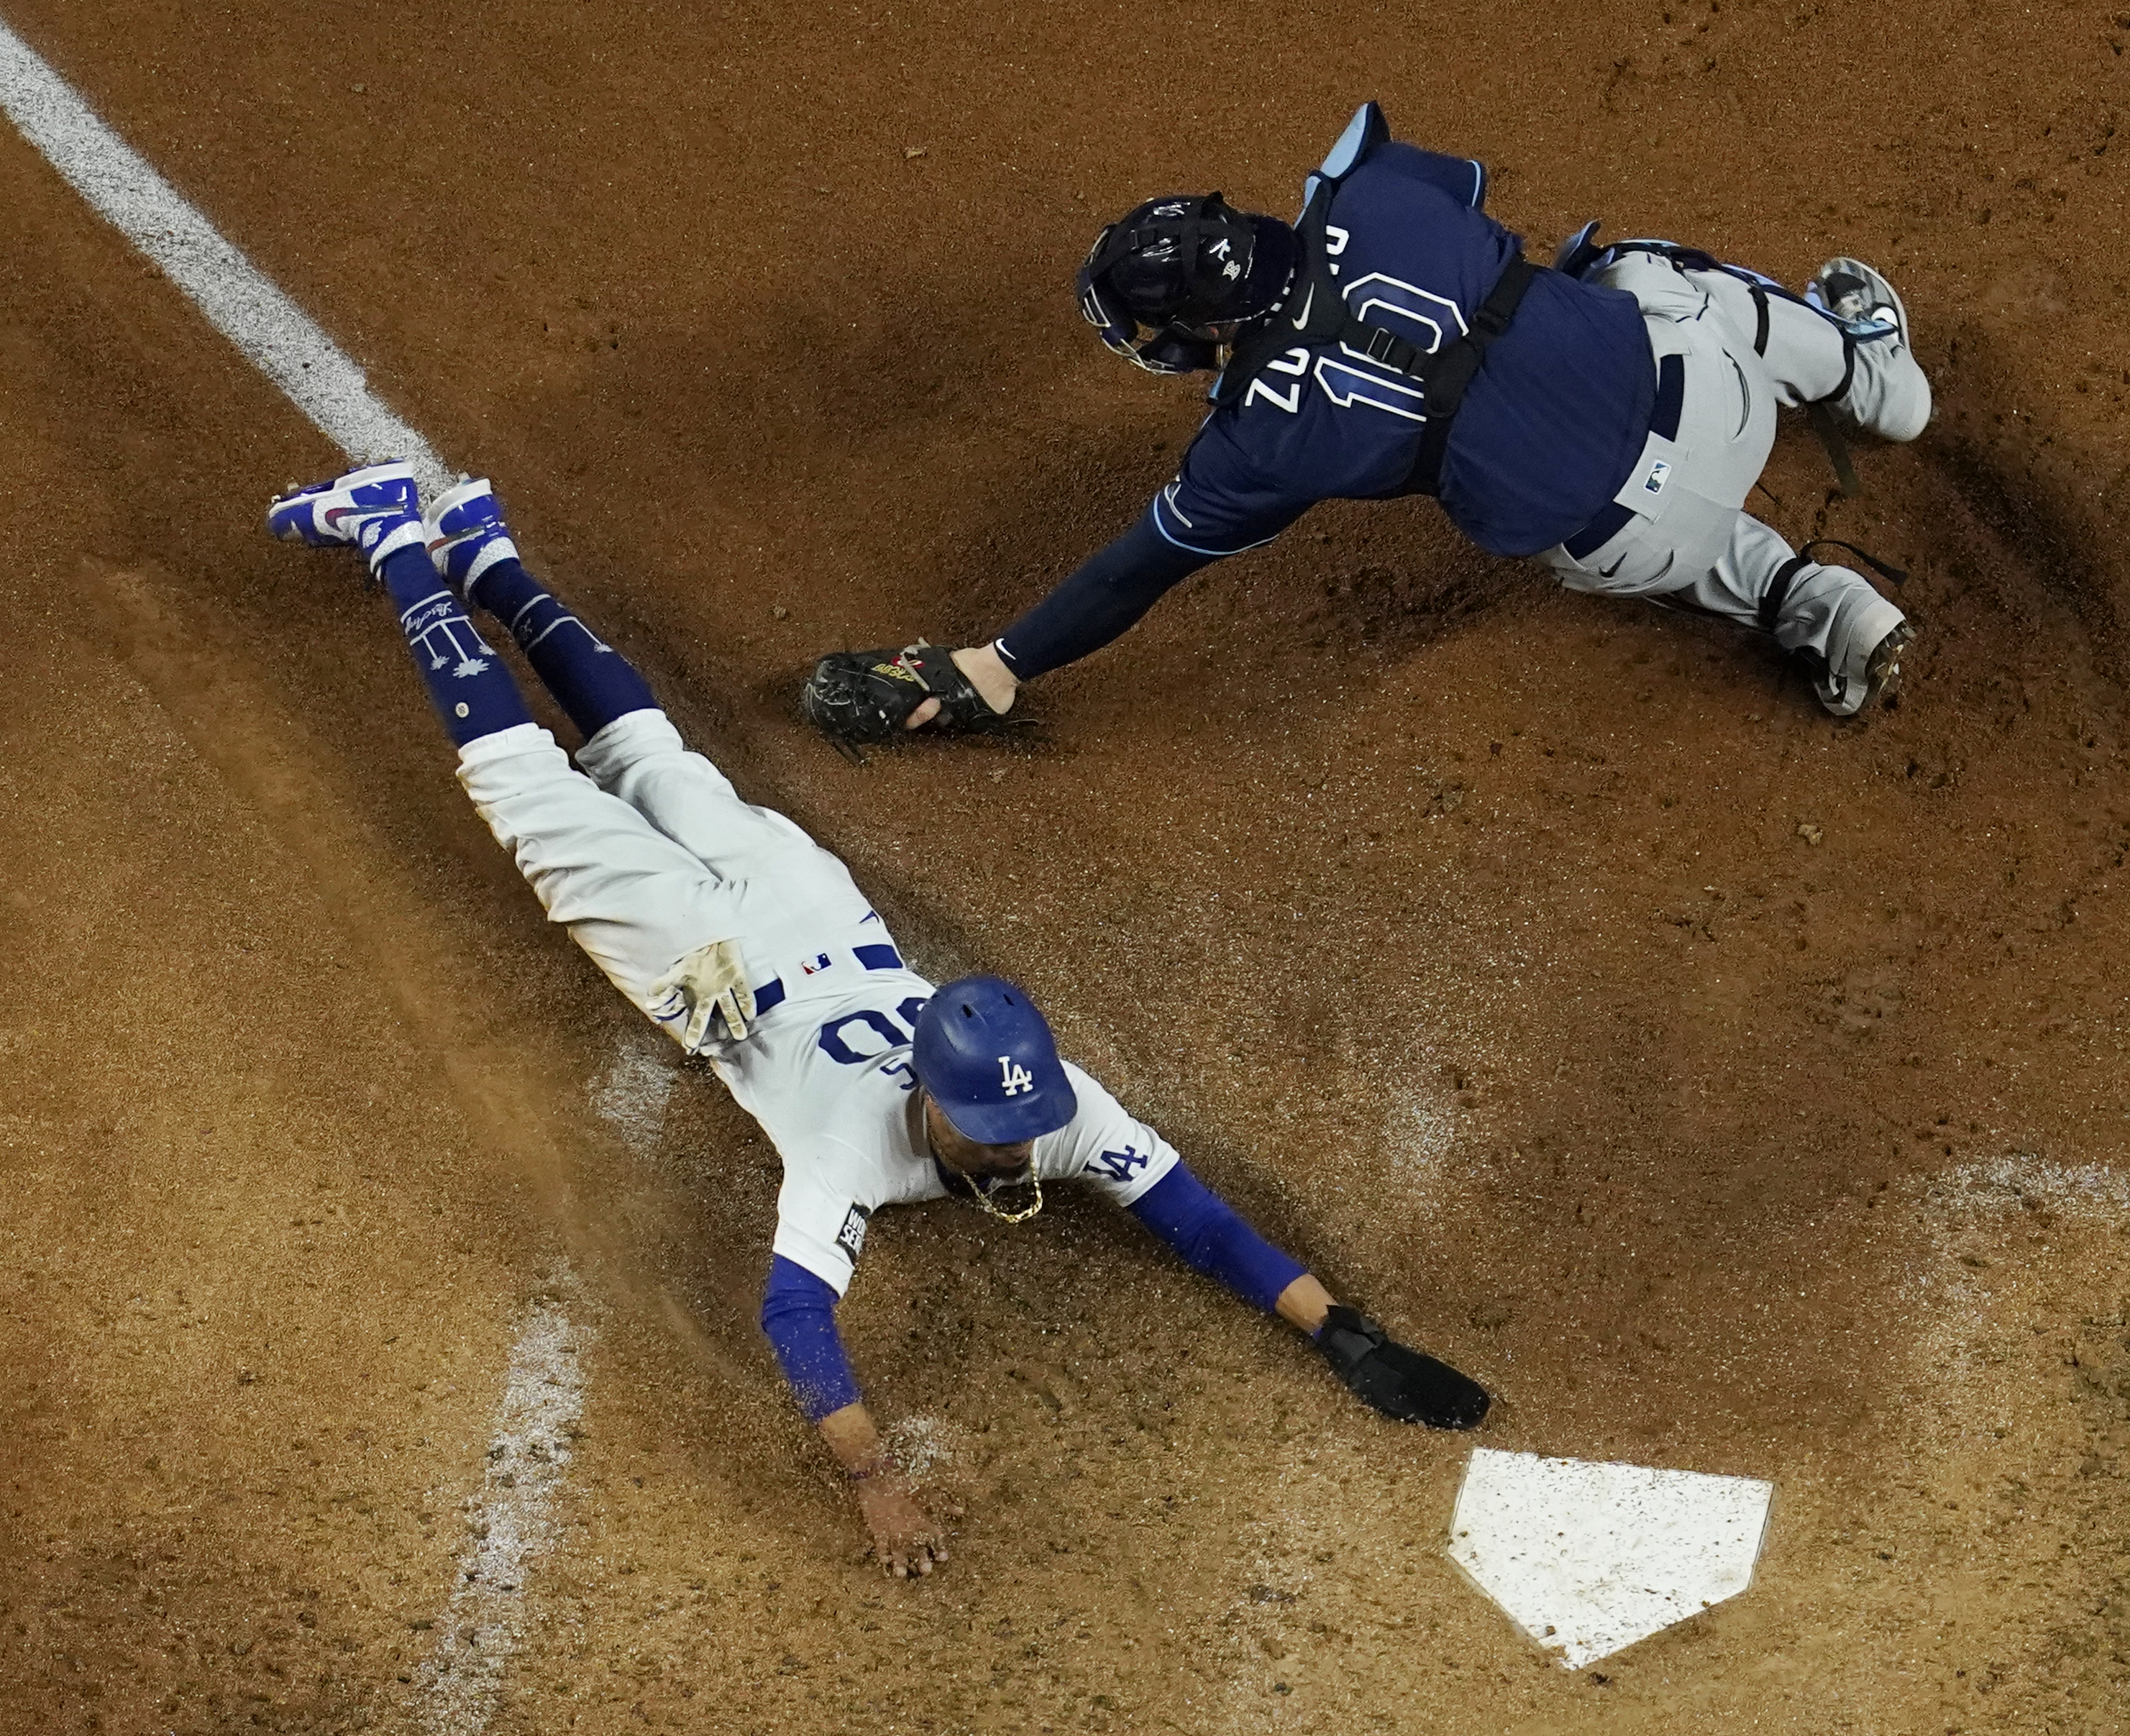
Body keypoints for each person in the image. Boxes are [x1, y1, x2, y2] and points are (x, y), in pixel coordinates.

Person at [265, 460, 1489, 1578]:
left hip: (805, 913)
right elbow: (794, 1314)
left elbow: (1200, 1223)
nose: (1014, 1152)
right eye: (986, 1136)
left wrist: (1343, 1334)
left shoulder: (1047, 1106)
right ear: (927, 1099)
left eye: (1020, 1131)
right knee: (524, 777)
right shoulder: (855, 1150)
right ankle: (398, 541)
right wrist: (874, 1485)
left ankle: (483, 554)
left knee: (641, 748)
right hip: (714, 954)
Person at [801, 100, 1932, 744]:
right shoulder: (1370, 189)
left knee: (1585, 495)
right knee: (1629, 268)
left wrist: (993, 664)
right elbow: (1467, 198)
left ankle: (1811, 602)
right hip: (1725, 396)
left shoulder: (1254, 442)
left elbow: (1132, 571)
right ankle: (1872, 377)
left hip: (1631, 544)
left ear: (1196, 324)